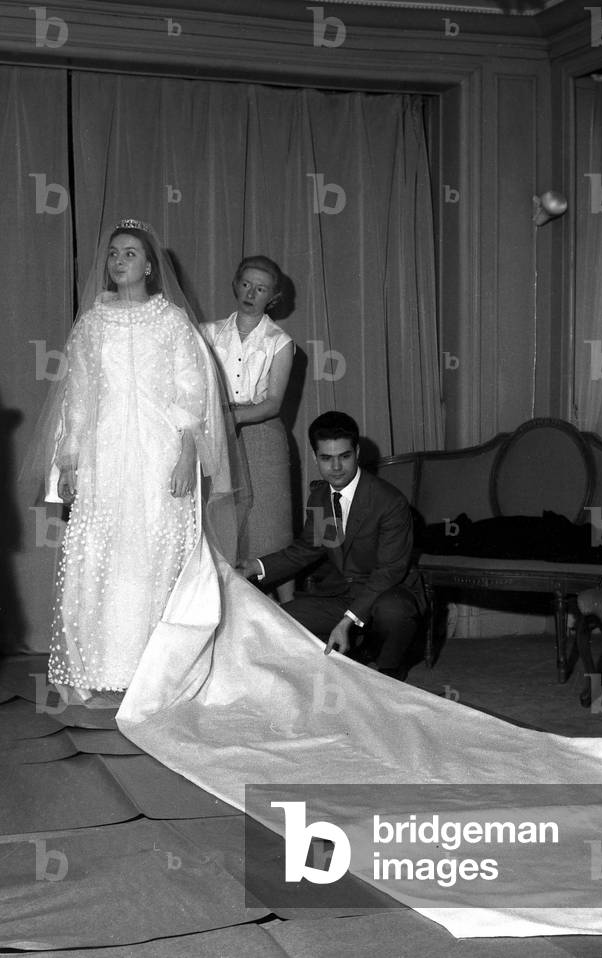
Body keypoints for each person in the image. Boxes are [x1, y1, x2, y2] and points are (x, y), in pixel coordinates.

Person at [30, 218, 232, 709]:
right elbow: (78, 396)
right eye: (114, 253)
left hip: (159, 454)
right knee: (101, 554)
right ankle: (101, 667)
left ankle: (153, 671)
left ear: (149, 266)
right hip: (104, 455)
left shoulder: (171, 322)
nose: (119, 260)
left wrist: (187, 454)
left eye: (130, 254)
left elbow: (192, 390)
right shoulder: (92, 323)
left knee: (154, 556)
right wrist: (70, 461)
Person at [238, 410, 420, 680]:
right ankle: (356, 651)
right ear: (315, 457)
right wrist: (256, 565)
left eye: (344, 457)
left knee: (393, 612)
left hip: (388, 592)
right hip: (342, 594)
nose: (336, 468)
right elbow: (308, 549)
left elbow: (389, 572)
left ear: (357, 452)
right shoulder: (321, 497)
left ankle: (388, 669)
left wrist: (347, 620)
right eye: (326, 458)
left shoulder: (389, 502)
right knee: (280, 622)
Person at [201, 256, 294, 574]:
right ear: (235, 285)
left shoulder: (279, 342)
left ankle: (285, 608)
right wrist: (220, 420)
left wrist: (235, 418)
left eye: (261, 288)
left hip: (262, 433)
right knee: (222, 519)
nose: (251, 293)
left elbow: (274, 403)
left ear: (273, 297)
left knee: (270, 523)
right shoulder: (208, 333)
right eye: (245, 284)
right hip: (217, 432)